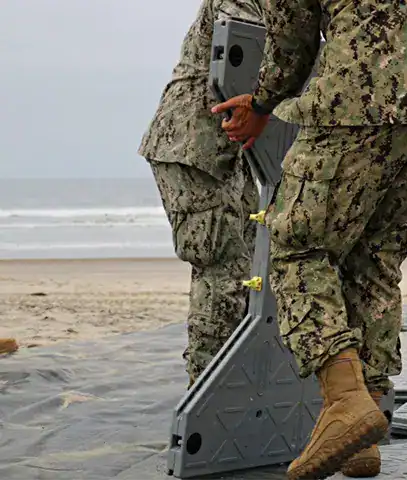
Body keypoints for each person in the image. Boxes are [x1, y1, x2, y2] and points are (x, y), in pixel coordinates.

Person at [210, 1, 407, 478]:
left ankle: (345, 402)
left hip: (358, 100)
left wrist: (262, 101)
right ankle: (362, 437)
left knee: (296, 245)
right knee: (376, 258)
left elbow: (292, 35)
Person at [137, 0, 263, 387]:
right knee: (223, 270)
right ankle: (207, 390)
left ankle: (234, 384)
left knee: (253, 267)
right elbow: (247, 50)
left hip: (227, 151)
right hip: (194, 147)